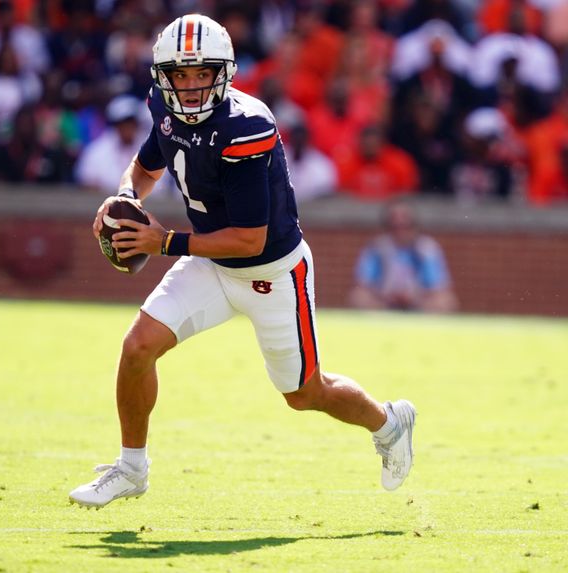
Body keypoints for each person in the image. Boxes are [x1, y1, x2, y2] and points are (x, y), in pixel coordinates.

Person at [69, 14, 417, 510]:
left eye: (200, 73)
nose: (189, 86)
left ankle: (388, 423)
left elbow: (249, 240)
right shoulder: (164, 108)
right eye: (179, 74)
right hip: (210, 261)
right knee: (137, 347)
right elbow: (148, 164)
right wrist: (124, 195)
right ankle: (131, 468)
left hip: (271, 273)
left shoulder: (245, 127)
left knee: (304, 394)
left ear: (224, 72)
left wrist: (160, 242)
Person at [349, 201, 458, 312]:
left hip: (418, 305)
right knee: (359, 297)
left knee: (446, 300)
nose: (400, 230)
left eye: (405, 226)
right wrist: (387, 298)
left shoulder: (426, 249)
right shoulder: (377, 247)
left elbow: (438, 287)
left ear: (414, 224)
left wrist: (414, 299)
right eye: (395, 226)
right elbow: (364, 284)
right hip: (384, 305)